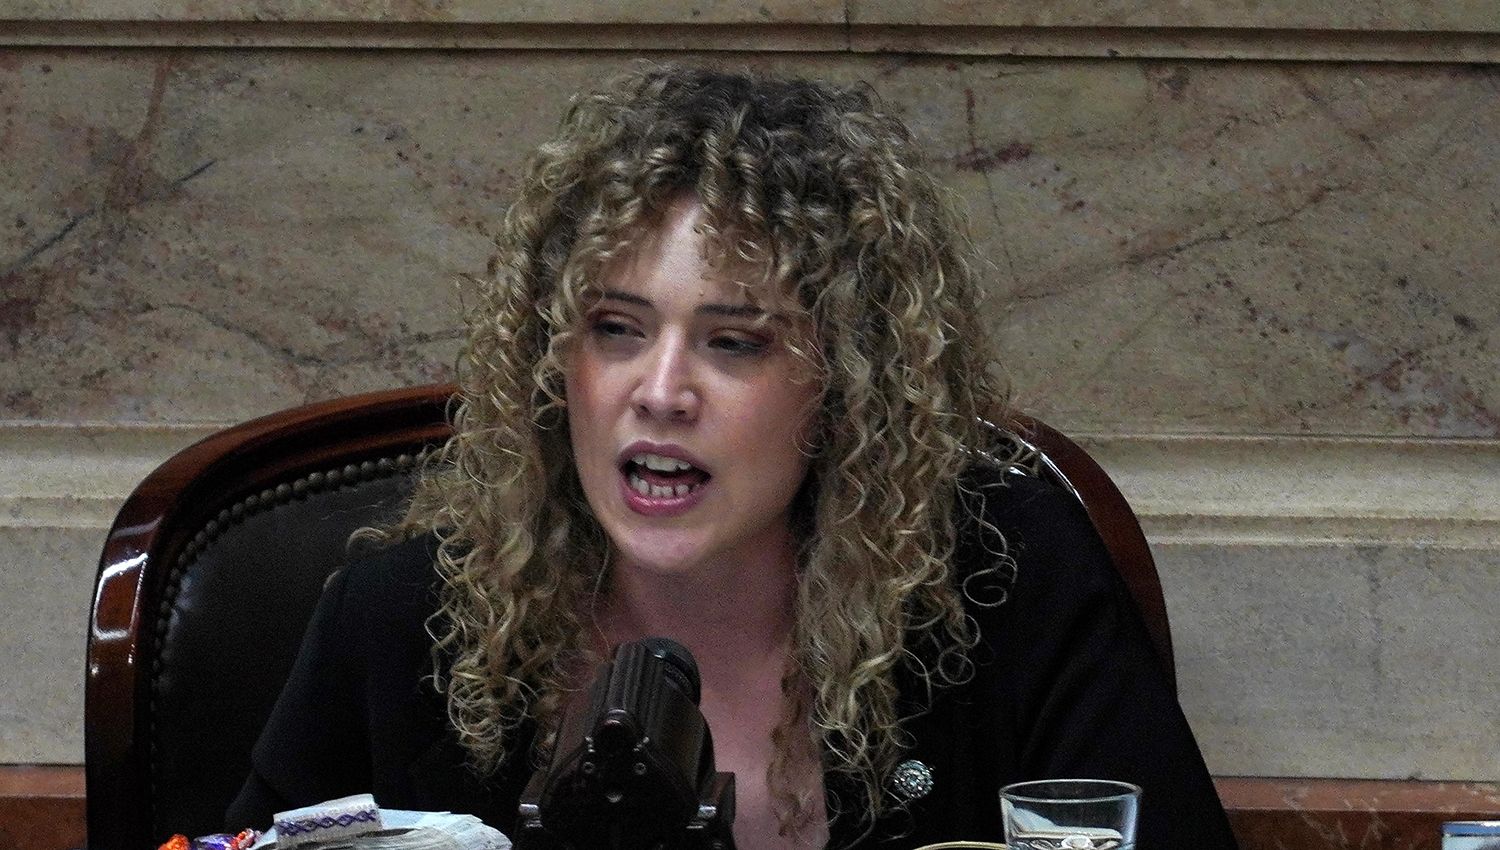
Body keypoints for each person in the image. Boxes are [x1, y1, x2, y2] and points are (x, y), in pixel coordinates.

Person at [228, 65, 1238, 850]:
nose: (661, 391)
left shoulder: (1003, 584)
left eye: (734, 342)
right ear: (554, 359)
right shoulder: (402, 623)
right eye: (616, 329)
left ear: (846, 383)